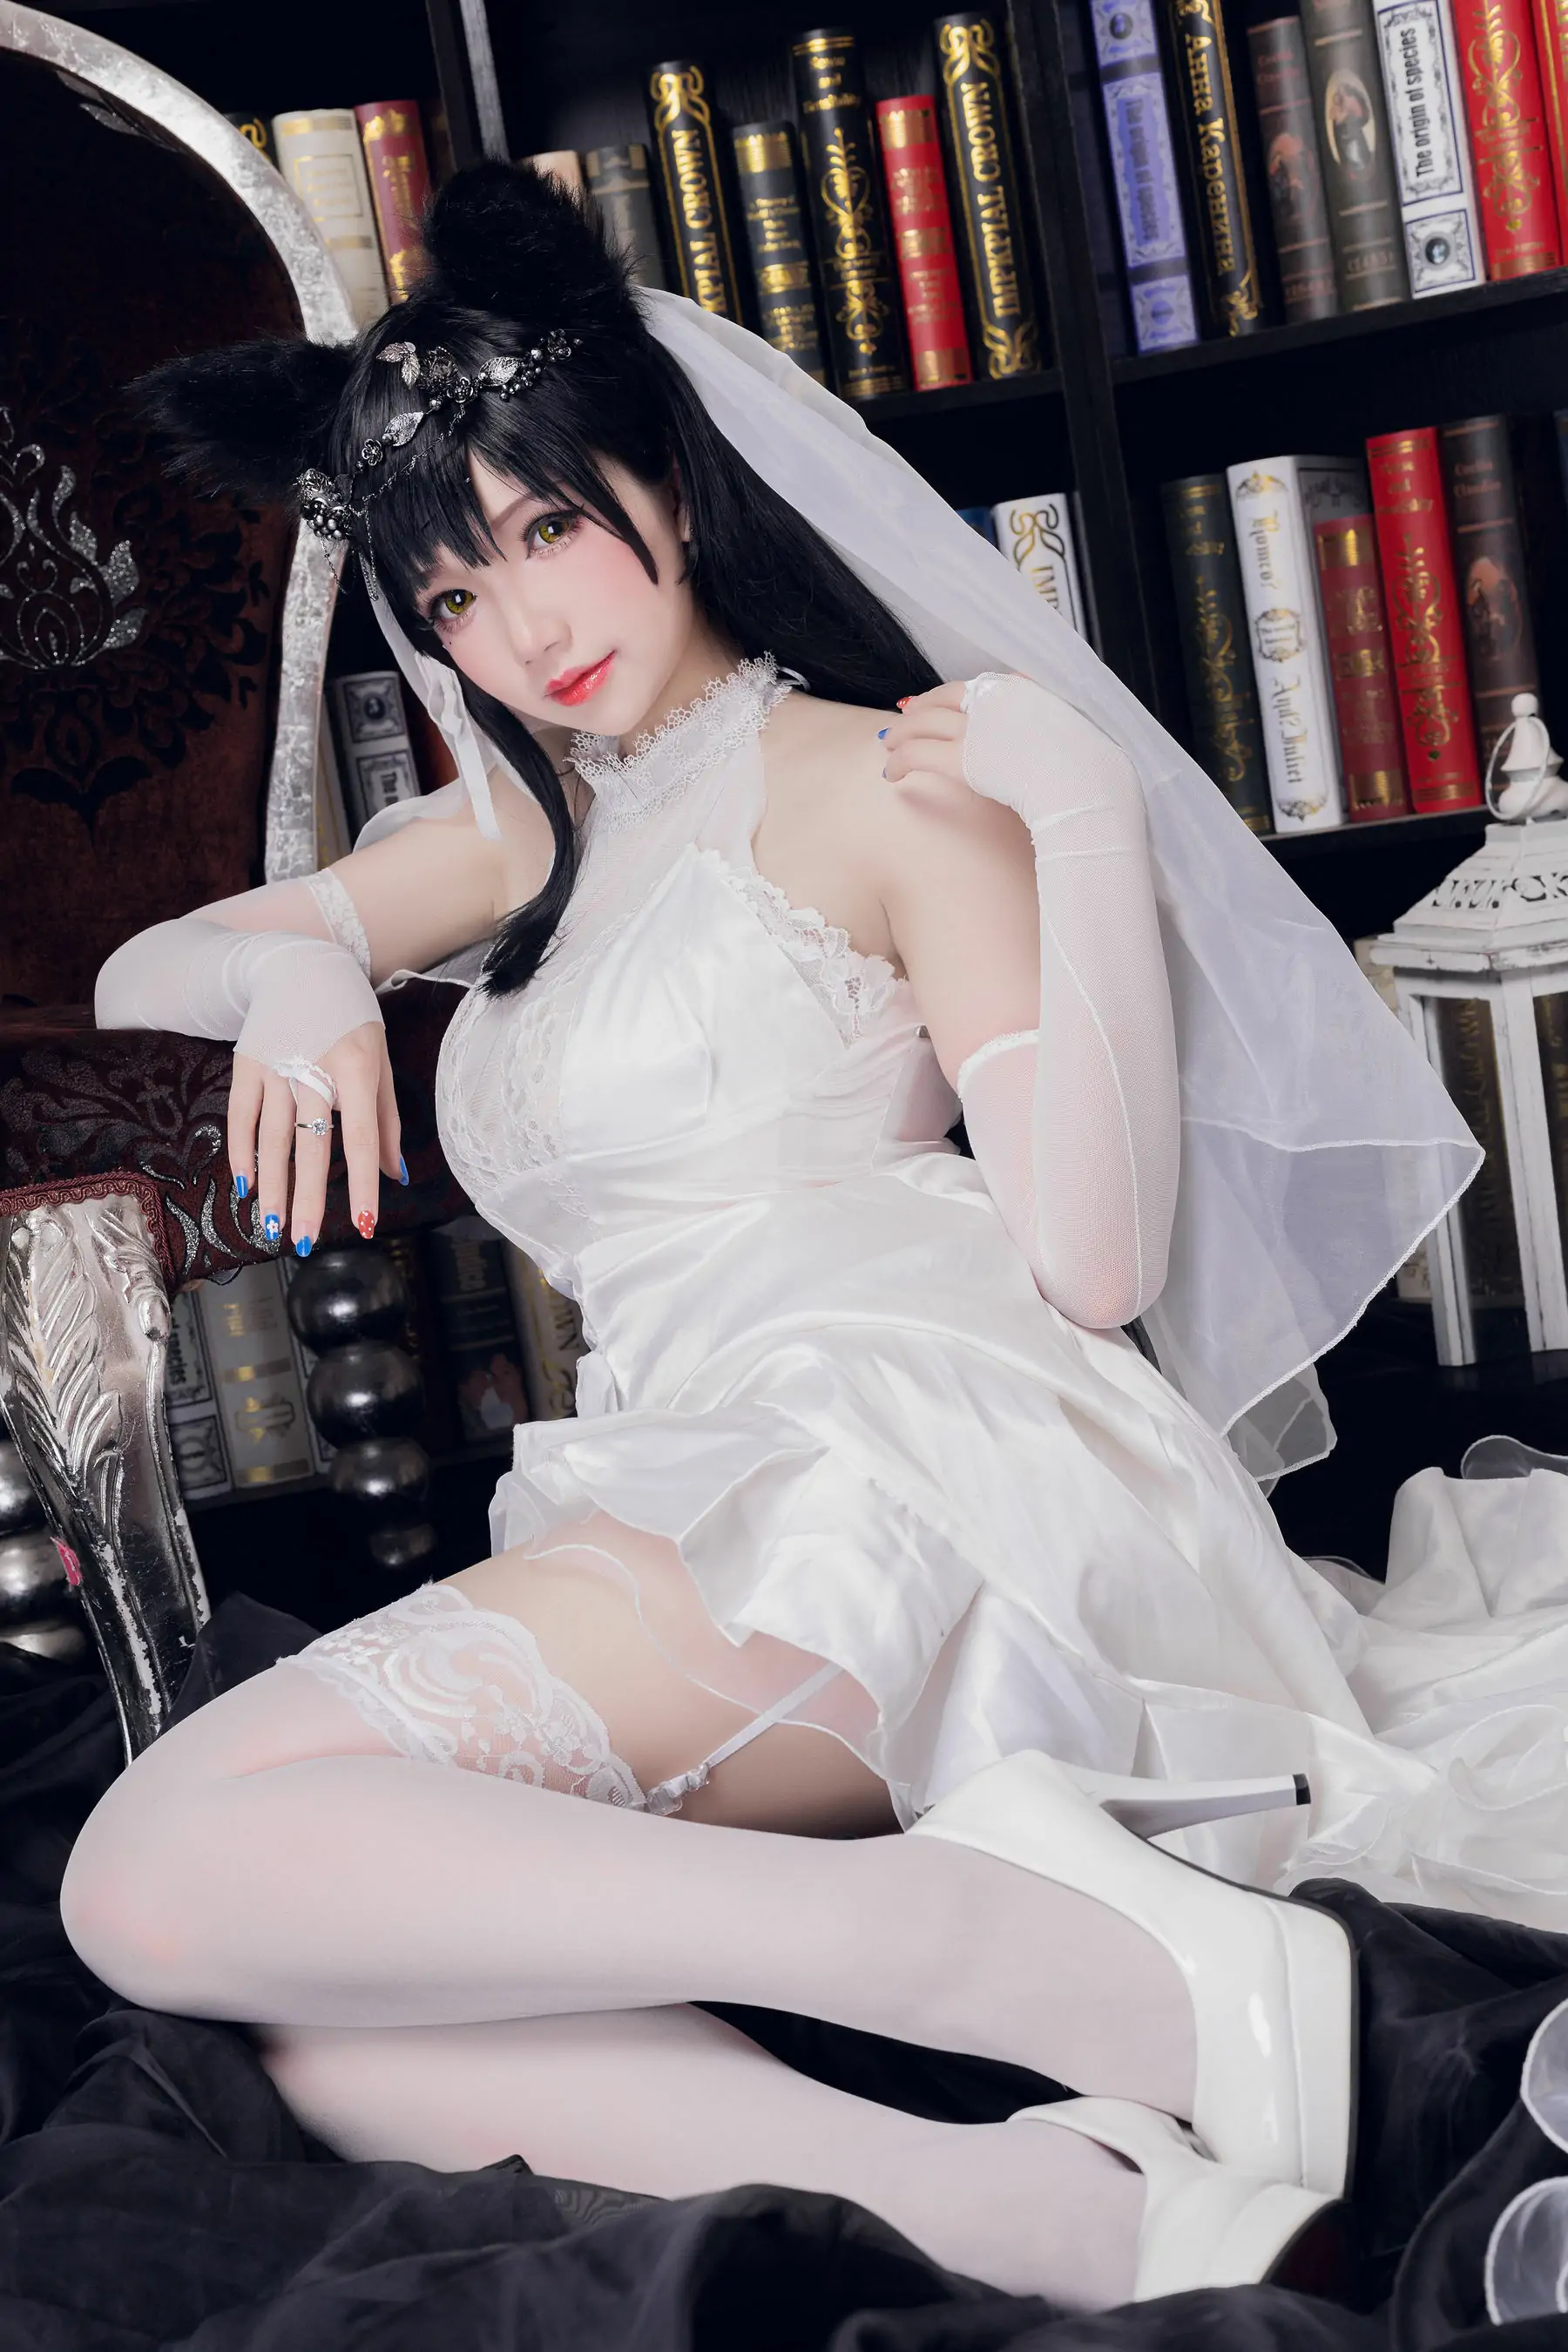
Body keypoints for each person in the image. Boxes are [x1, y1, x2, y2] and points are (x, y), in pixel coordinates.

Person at [54, 161, 1568, 2308]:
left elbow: (1097, 1268)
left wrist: (1078, 816)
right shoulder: (512, 840)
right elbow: (143, 972)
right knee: (313, 2002)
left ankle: (1008, 1949)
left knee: (151, 1872)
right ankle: (1075, 2205)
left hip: (913, 1457)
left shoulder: (884, 781)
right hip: (691, 1480)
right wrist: (299, 966)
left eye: (549, 530)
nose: (527, 630)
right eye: (458, 595)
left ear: (668, 484)